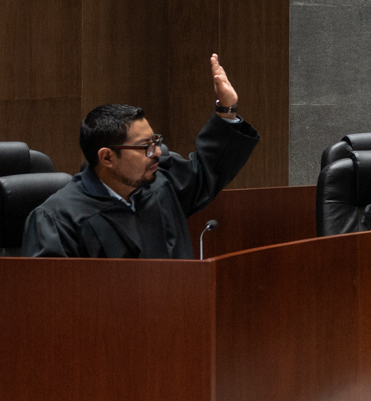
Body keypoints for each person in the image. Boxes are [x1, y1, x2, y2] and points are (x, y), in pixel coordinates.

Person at [23, 55, 259, 258]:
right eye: (145, 146)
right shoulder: (57, 220)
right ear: (107, 158)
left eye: (155, 141)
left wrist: (227, 109)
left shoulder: (161, 183)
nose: (157, 152)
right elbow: (52, 291)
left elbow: (209, 168)